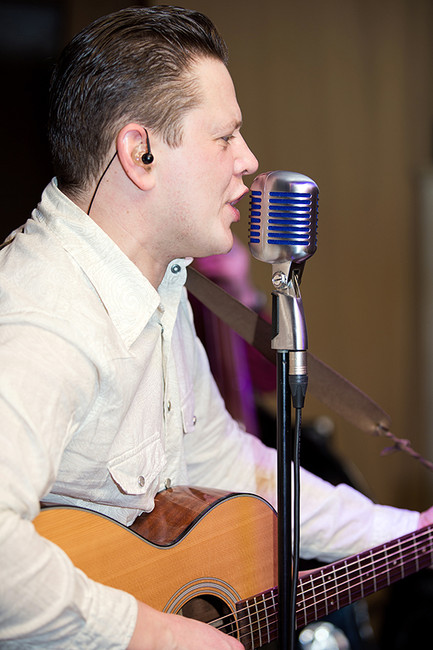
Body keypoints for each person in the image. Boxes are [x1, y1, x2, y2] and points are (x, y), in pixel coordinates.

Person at [0, 6, 432, 649]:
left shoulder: (158, 284)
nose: (249, 160)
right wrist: (160, 636)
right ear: (140, 153)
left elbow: (222, 463)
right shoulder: (43, 318)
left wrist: (405, 534)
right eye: (225, 137)